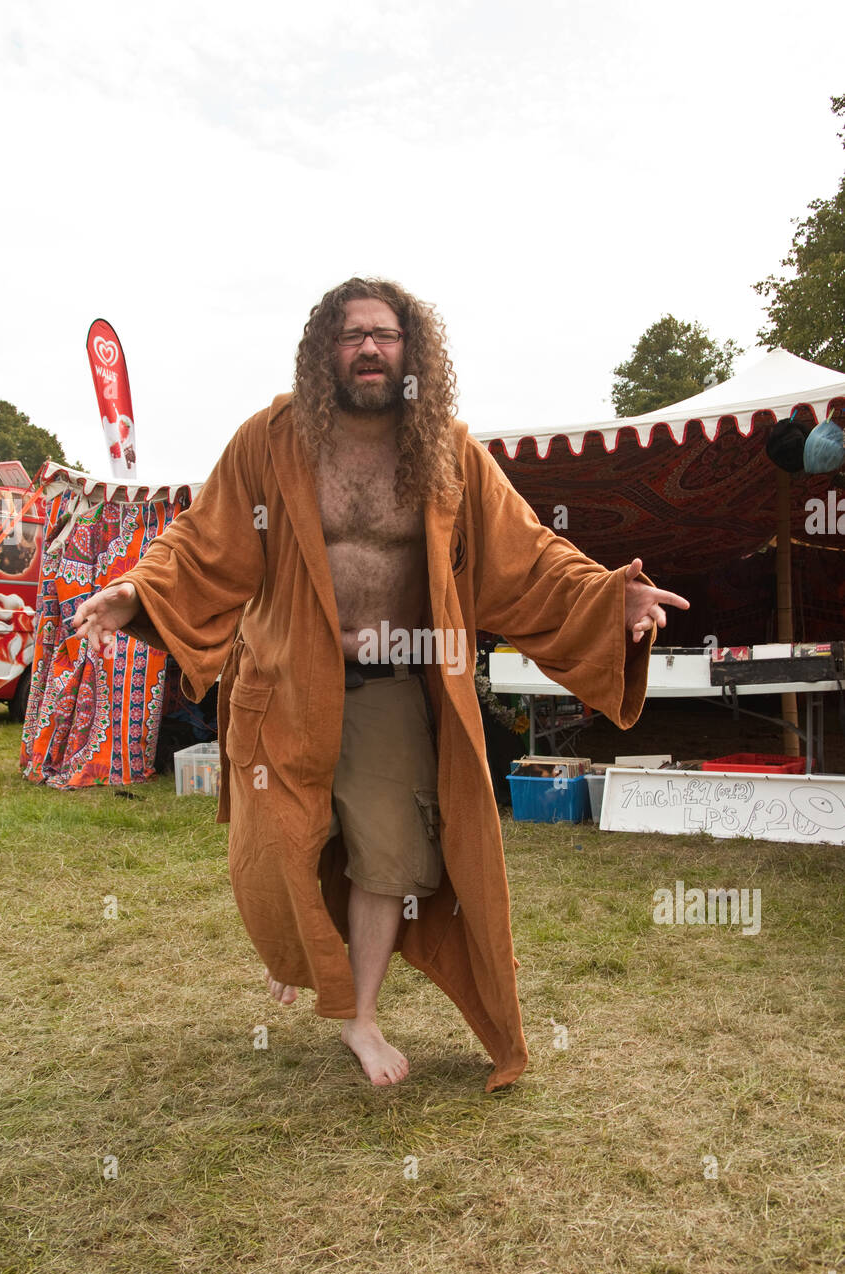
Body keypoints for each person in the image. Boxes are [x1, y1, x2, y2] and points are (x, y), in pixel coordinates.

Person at [73, 277, 689, 1092]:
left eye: (385, 335)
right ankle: (298, 954)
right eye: (352, 334)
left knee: (392, 860)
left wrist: (611, 599)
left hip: (392, 684)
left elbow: (528, 555)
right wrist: (137, 591)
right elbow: (202, 539)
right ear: (324, 351)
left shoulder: (447, 451)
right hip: (285, 681)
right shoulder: (271, 440)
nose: (369, 348)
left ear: (411, 351)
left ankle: (358, 1014)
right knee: (280, 850)